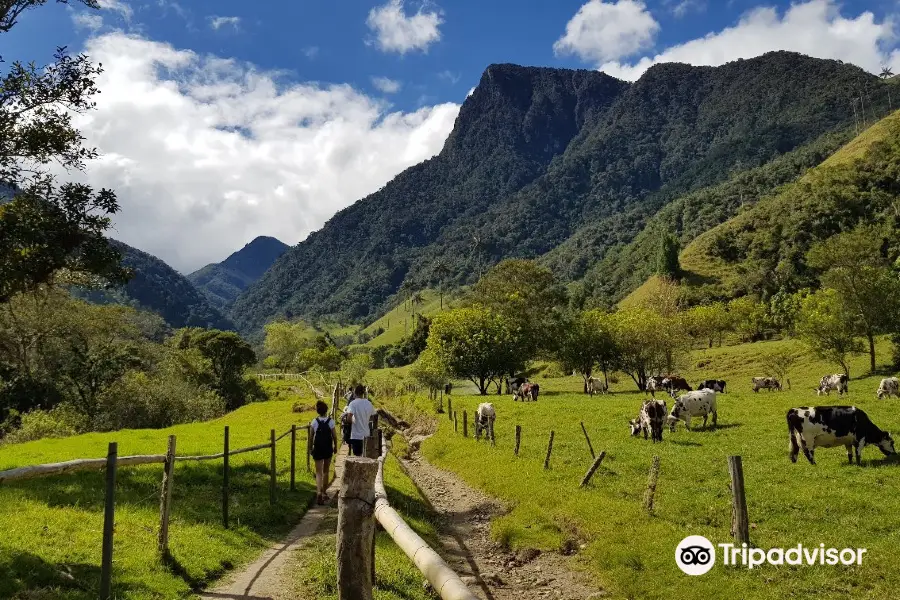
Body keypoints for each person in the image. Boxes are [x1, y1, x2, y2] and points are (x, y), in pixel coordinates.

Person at [309, 400, 337, 505]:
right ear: (326, 410)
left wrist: (310, 448)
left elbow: (311, 436)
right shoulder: (331, 422)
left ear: (318, 411)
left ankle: (318, 493)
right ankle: (324, 492)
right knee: (326, 471)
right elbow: (334, 436)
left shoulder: (314, 422)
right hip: (327, 448)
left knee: (318, 472)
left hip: (318, 448)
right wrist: (335, 447)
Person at [346, 384, 376, 457]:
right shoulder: (369, 403)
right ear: (363, 393)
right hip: (366, 434)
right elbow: (373, 416)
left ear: (355, 393)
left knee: (357, 457)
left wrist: (353, 421)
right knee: (366, 456)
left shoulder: (353, 404)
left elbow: (349, 418)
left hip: (356, 435)